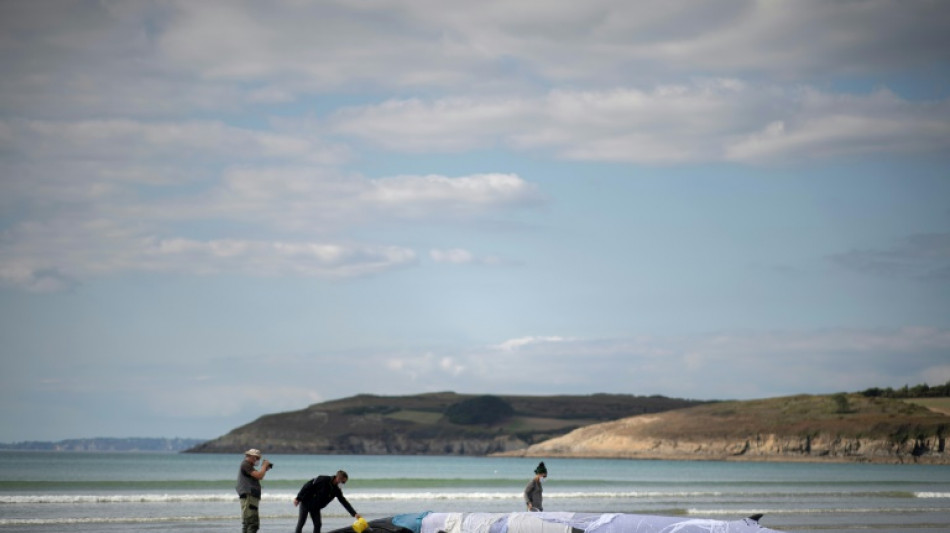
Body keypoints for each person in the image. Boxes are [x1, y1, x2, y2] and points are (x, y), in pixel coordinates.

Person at [294, 470, 362, 533]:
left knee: (318, 525)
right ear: (338, 479)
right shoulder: (323, 479)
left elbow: (343, 501)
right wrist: (298, 498)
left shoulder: (336, 490)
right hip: (306, 502)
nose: (343, 484)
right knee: (301, 523)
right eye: (343, 482)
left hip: (316, 507)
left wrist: (354, 513)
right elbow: (307, 485)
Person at [235, 448, 271, 533]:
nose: (257, 460)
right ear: (250, 456)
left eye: (258, 458)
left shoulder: (249, 466)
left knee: (247, 523)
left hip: (249, 496)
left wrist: (264, 469)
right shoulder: (246, 465)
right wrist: (264, 466)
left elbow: (259, 475)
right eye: (256, 458)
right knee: (252, 524)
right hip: (249, 496)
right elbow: (259, 476)